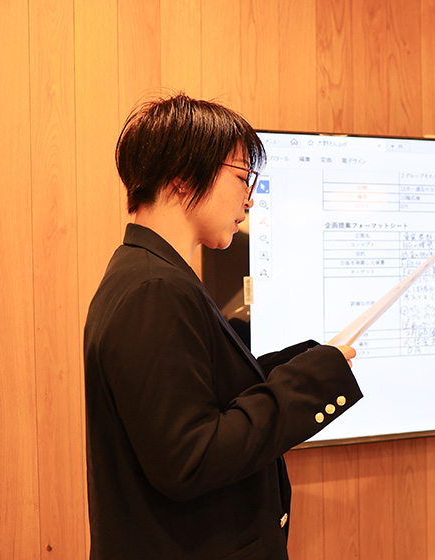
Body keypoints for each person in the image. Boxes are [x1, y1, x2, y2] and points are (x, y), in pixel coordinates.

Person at [83, 93, 362, 559]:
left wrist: (305, 365)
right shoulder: (154, 288)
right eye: (241, 177)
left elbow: (200, 394)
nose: (249, 199)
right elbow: (191, 458)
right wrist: (309, 386)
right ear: (181, 177)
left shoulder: (150, 274)